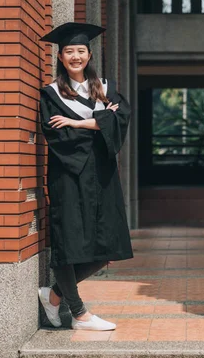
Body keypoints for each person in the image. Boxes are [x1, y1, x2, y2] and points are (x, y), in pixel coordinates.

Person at [37, 22, 133, 331]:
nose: (75, 56)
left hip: (102, 176)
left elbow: (121, 122)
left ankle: (53, 295)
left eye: (80, 51)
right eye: (69, 52)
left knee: (105, 246)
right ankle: (78, 313)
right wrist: (101, 118)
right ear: (61, 58)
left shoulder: (105, 86)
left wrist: (80, 123)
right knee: (70, 241)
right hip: (69, 175)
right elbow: (57, 134)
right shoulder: (51, 94)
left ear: (89, 55)